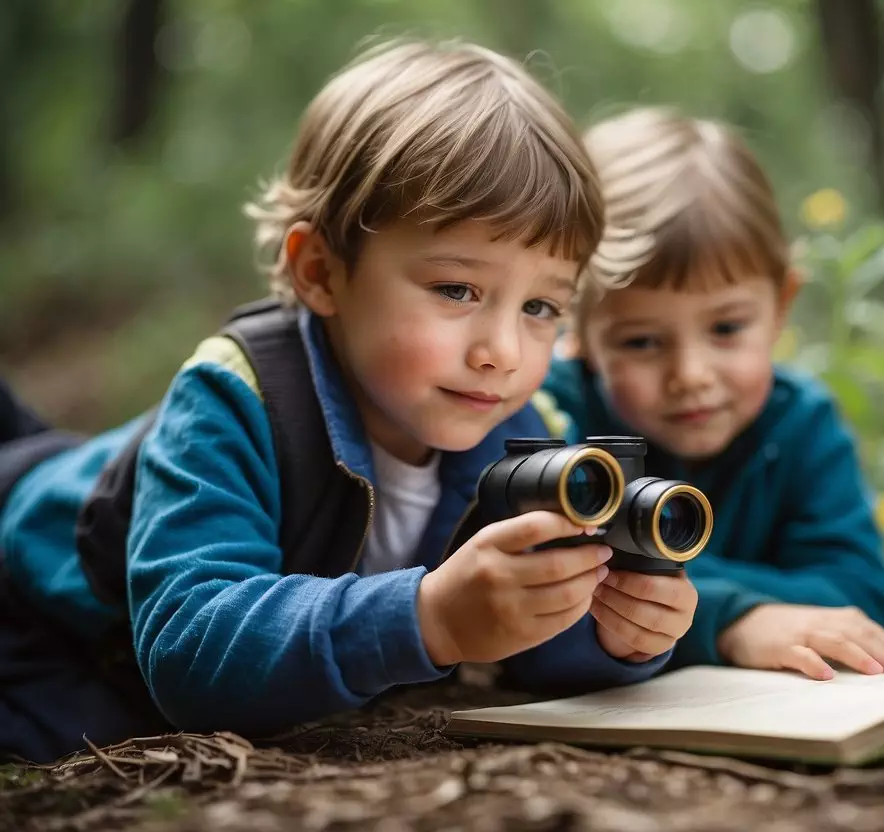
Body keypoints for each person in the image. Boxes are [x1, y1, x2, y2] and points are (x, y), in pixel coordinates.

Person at [0, 41, 697, 765]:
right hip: (31, 592)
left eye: (541, 305)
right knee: (76, 740)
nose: (504, 350)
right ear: (320, 272)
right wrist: (426, 619)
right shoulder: (236, 396)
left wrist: (616, 634)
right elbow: (191, 645)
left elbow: (534, 645)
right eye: (456, 290)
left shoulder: (525, 430)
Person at [539, 106, 884, 682]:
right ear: (577, 331)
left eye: (727, 329)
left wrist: (666, 583)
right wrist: (737, 618)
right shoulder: (553, 416)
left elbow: (855, 595)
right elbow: (555, 588)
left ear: (781, 305)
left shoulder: (803, 423)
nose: (691, 374)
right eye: (641, 341)